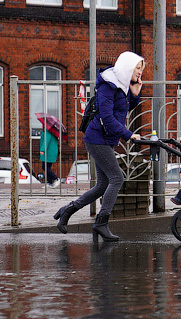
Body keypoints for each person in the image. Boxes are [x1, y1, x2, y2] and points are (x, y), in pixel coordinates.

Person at [54, 51, 144, 241]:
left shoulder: (122, 85)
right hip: (96, 138)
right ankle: (101, 223)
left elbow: (121, 109)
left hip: (107, 139)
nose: (139, 74)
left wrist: (134, 95)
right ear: (128, 67)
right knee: (117, 178)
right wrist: (129, 135)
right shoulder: (107, 84)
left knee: (103, 184)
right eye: (138, 69)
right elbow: (107, 117)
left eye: (140, 70)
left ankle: (67, 210)